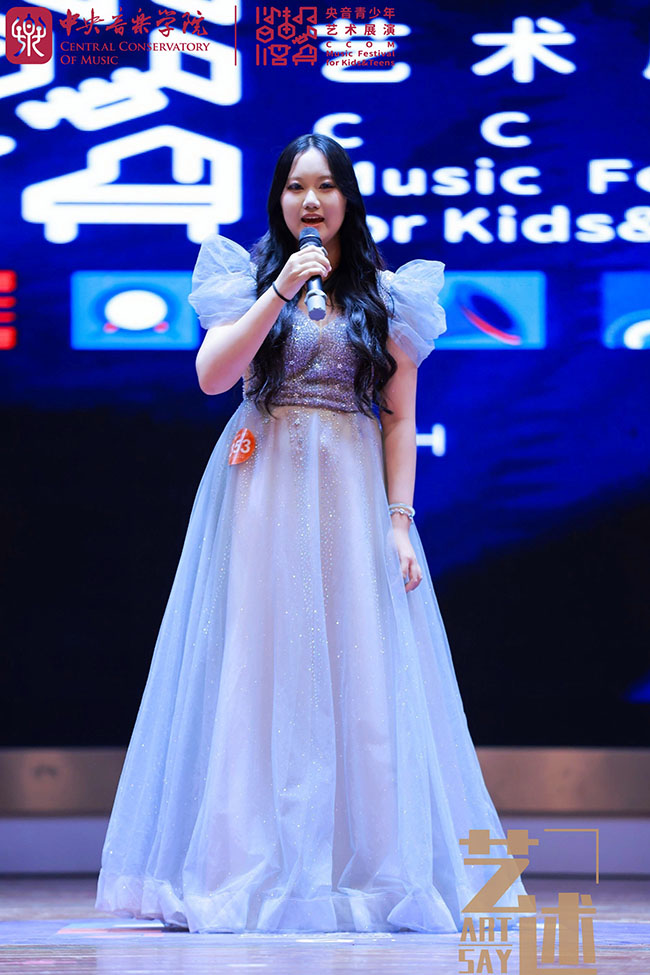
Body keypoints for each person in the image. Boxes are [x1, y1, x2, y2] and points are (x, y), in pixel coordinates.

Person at [95, 133, 528, 934]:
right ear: (279, 200)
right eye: (296, 187)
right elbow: (213, 376)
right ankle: (248, 860)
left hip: (349, 490)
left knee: (358, 664)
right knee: (259, 663)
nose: (311, 201)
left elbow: (399, 420)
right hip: (261, 490)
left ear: (347, 199)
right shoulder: (249, 279)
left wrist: (400, 521)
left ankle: (361, 863)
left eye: (326, 186)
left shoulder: (385, 295)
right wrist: (280, 291)